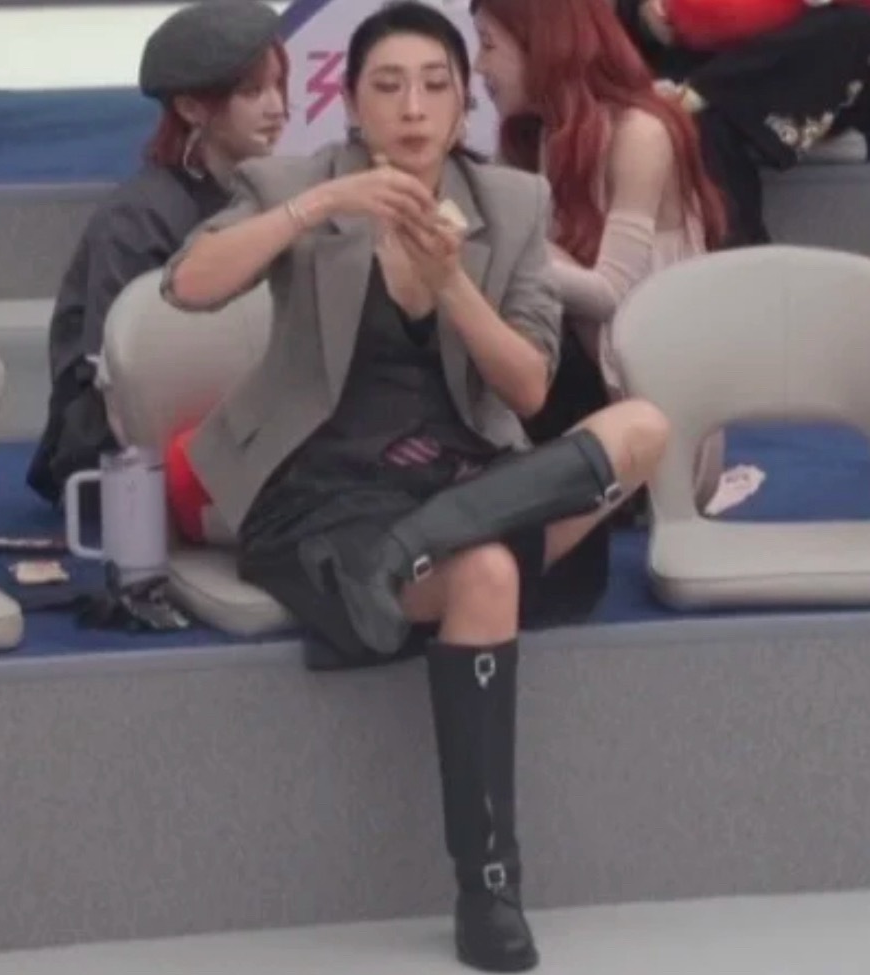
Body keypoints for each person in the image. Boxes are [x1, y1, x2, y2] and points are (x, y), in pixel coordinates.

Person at [162, 3, 669, 970]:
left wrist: (451, 283)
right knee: (487, 572)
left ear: (464, 100)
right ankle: (490, 890)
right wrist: (321, 205)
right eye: (387, 86)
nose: (412, 107)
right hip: (324, 491)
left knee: (640, 427)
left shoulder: (508, 202)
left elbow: (527, 389)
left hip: (464, 474)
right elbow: (188, 285)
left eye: (437, 85)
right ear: (350, 104)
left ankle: (412, 549)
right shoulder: (295, 183)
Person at [26, 0, 288, 507]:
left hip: (234, 421)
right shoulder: (136, 221)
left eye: (279, 86)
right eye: (252, 91)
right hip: (124, 448)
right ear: (191, 109)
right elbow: (120, 378)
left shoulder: (264, 193)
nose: (277, 107)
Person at [470, 0, 727, 508]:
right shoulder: (532, 135)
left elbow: (614, 295)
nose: (478, 67)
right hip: (586, 376)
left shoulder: (641, 133)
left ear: (543, 45)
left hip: (653, 421)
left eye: (488, 46)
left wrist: (503, 249)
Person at [616, 0, 870, 246]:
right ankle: (739, 252)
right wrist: (645, 13)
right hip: (701, 57)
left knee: (854, 24)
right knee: (708, 118)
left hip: (811, 63)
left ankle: (705, 91)